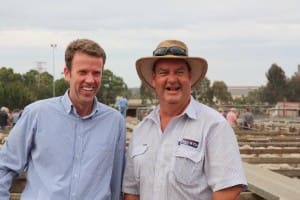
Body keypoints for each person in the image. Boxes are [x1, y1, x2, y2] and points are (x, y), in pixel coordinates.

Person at [0, 39, 126, 200]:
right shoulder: (36, 114)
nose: (90, 80)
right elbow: (4, 167)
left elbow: (116, 182)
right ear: (67, 73)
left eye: (96, 73)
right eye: (83, 72)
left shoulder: (114, 122)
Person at [122, 40, 247, 200]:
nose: (172, 79)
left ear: (190, 77)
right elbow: (132, 191)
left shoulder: (213, 126)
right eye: (163, 72)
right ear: (154, 79)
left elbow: (228, 189)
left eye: (179, 72)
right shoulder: (141, 130)